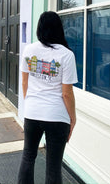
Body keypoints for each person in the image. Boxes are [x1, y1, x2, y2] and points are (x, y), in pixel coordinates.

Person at [17, 11, 77, 184]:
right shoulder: (66, 55)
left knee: (28, 156)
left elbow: (24, 83)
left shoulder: (29, 50)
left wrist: (31, 104)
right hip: (57, 117)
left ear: (39, 29)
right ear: (59, 29)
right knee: (53, 166)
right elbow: (67, 93)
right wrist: (72, 119)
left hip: (33, 113)